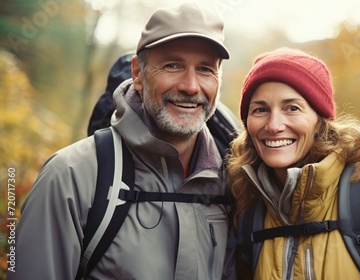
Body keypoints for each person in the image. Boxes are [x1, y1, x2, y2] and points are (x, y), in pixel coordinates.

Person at [8, 3, 236, 279]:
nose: (190, 86)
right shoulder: (71, 176)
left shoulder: (233, 183)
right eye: (172, 65)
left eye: (205, 70)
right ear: (138, 74)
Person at [226, 47, 360, 279]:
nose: (273, 125)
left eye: (292, 108)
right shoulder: (248, 205)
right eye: (260, 109)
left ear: (320, 122)